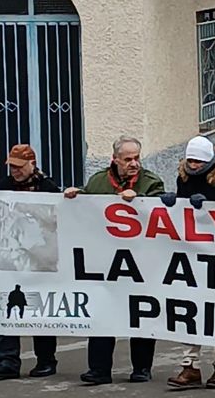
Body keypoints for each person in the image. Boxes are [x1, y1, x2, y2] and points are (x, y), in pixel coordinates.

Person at [63, 136, 165, 385]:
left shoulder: (151, 182)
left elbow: (162, 211)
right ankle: (99, 370)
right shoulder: (98, 181)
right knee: (102, 313)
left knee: (140, 314)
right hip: (105, 260)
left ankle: (141, 368)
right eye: (128, 159)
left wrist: (139, 199)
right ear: (115, 159)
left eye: (137, 158)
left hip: (139, 260)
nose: (134, 163)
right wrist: (77, 197)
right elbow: (88, 209)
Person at [165, 136, 215, 390]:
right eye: (190, 161)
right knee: (192, 311)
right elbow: (182, 210)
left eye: (199, 161)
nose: (194, 165)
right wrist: (174, 205)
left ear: (210, 160)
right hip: (194, 253)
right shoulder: (185, 178)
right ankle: (190, 366)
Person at [0, 145, 59, 381]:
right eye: (11, 166)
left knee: (40, 311)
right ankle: (7, 360)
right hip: (10, 259)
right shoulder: (4, 187)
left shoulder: (48, 188)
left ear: (31, 164)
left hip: (40, 259)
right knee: (6, 311)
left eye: (19, 166)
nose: (14, 171)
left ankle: (46, 360)